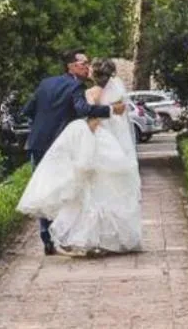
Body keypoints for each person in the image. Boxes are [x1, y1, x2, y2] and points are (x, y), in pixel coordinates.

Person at [17, 57, 143, 255]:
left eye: (88, 64)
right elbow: (84, 111)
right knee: (70, 187)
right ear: (71, 65)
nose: (86, 67)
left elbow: (28, 110)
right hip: (69, 143)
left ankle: (49, 238)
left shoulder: (46, 83)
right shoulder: (80, 87)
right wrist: (110, 110)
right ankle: (69, 234)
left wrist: (44, 125)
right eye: (83, 63)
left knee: (48, 188)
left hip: (43, 141)